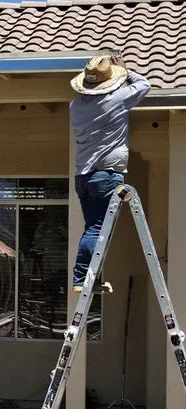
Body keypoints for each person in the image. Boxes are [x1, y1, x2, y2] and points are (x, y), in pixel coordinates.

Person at [69, 53, 150, 293]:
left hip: (83, 176)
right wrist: (124, 70)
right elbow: (144, 84)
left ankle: (90, 277)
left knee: (93, 228)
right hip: (105, 175)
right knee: (96, 229)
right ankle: (83, 278)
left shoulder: (75, 105)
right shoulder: (117, 99)